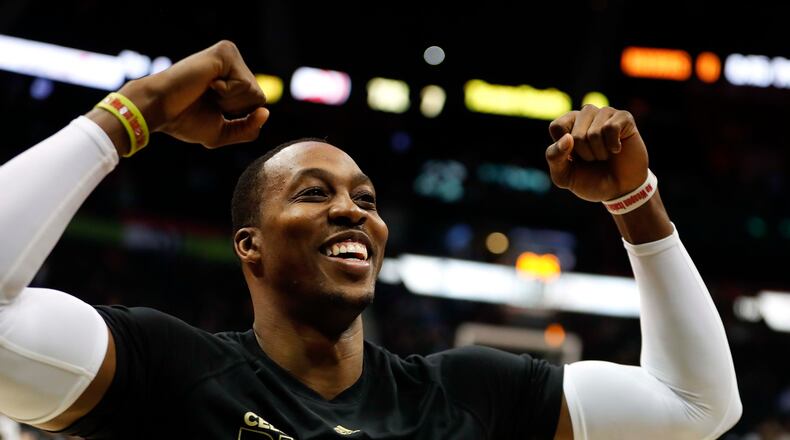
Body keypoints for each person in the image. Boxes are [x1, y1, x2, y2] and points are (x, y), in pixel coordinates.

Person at [0, 40, 741, 439]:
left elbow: (697, 409)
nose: (353, 212)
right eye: (313, 193)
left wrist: (635, 203)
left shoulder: (470, 395)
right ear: (249, 245)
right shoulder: (174, 371)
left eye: (366, 200)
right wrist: (136, 111)